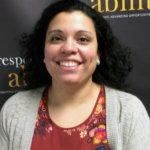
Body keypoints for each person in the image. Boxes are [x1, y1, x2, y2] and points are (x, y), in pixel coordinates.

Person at [0, 0, 150, 149]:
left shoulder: (128, 111)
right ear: (43, 51)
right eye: (56, 38)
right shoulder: (14, 110)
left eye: (83, 39)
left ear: (99, 53)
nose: (69, 48)